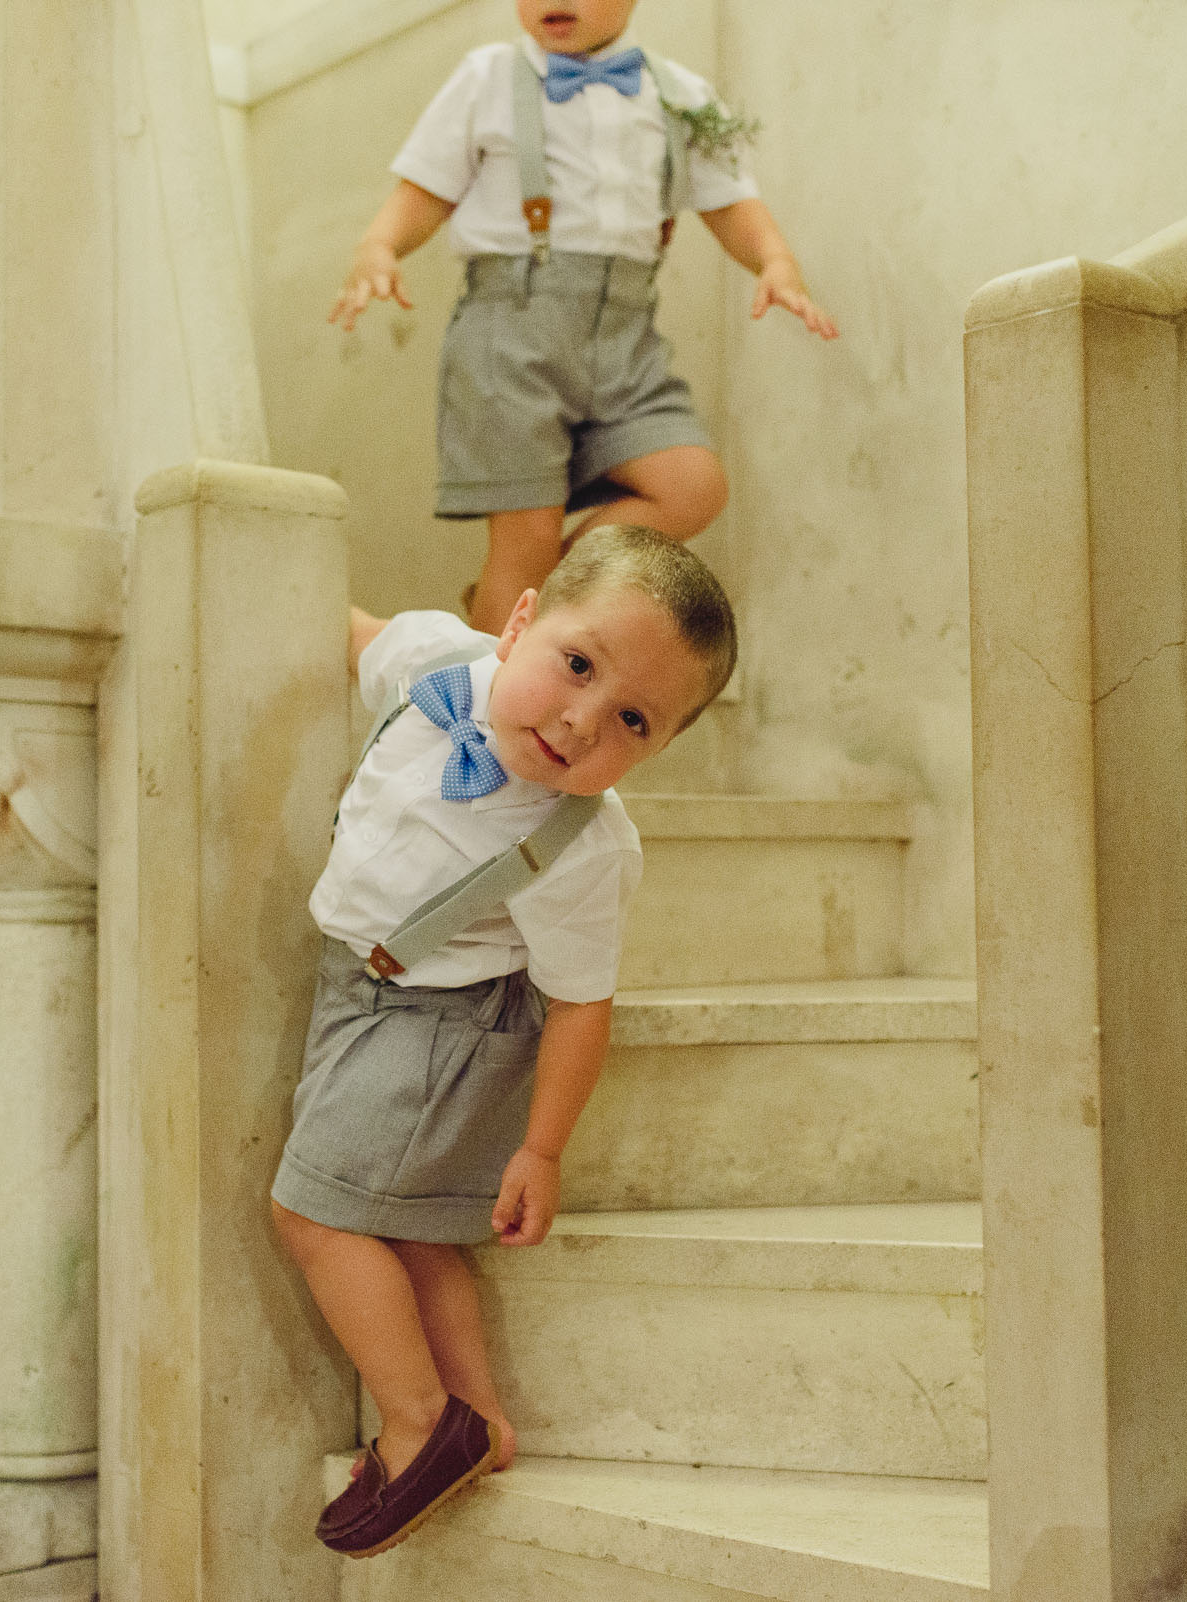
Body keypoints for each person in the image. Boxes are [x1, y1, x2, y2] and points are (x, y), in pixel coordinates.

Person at [270, 525, 738, 1557]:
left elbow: (581, 1003)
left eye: (631, 720)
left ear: (656, 751)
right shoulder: (434, 658)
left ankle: (419, 1421)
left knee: (314, 1216)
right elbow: (350, 631)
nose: (580, 721)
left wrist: (542, 1149)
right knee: (410, 1227)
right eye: (576, 665)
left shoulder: (583, 846)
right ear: (518, 620)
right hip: (360, 982)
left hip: (442, 1021)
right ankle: (480, 1419)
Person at [330, 0, 836, 633]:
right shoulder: (489, 75)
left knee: (692, 486)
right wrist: (379, 248)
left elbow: (730, 201)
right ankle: (487, 713)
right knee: (524, 542)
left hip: (629, 339)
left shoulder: (680, 93)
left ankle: (533, 594)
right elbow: (424, 190)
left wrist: (774, 260)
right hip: (512, 335)